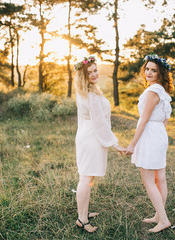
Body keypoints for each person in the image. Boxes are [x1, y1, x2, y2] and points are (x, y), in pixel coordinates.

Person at [74, 56, 125, 233]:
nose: (94, 74)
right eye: (89, 72)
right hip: (91, 138)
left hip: (87, 136)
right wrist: (115, 144)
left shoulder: (86, 90)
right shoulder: (89, 94)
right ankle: (82, 219)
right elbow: (99, 123)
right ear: (83, 76)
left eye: (95, 70)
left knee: (88, 178)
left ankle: (84, 212)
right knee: (86, 179)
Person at [125, 54, 174, 233]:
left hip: (150, 135)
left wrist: (132, 145)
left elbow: (144, 120)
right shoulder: (162, 91)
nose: (149, 73)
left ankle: (163, 220)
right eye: (147, 69)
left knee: (149, 180)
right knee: (159, 178)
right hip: (159, 133)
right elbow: (166, 118)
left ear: (161, 73)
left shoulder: (153, 91)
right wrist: (159, 133)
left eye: (154, 70)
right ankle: (158, 214)